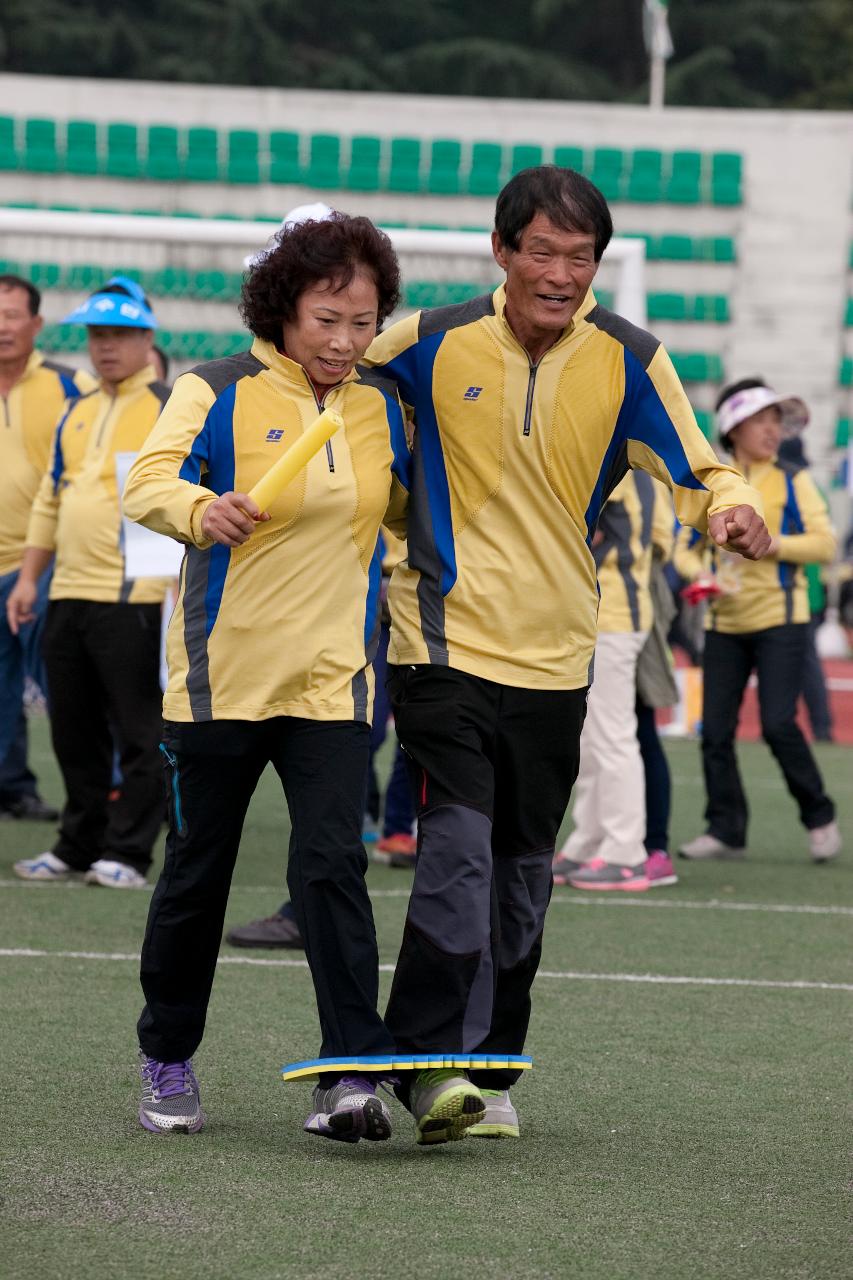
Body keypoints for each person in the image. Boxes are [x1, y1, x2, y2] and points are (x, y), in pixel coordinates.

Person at [362, 165, 770, 1142]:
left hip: (554, 656)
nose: (559, 272)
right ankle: (423, 1065)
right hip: (440, 641)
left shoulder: (630, 358)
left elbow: (699, 464)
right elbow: (334, 382)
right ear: (502, 251)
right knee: (456, 850)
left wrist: (735, 508)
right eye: (540, 251)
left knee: (518, 872)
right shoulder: (424, 340)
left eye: (577, 257)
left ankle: (489, 1067)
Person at [122, 214, 412, 1143]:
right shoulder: (212, 388)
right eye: (327, 318)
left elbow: (409, 515)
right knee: (196, 875)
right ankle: (167, 1052)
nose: (343, 341)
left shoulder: (381, 406)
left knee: (332, 868)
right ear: (283, 311)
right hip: (220, 685)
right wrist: (202, 508)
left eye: (362, 322)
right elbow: (147, 483)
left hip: (333, 687)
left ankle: (351, 1077)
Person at [8, 277, 171, 888]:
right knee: (72, 731)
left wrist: (167, 592)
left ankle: (128, 852)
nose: (106, 347)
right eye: (97, 336)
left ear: (146, 338)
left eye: (120, 335)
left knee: (139, 732)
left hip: (135, 600)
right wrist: (30, 579)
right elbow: (52, 497)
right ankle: (78, 844)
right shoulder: (77, 407)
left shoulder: (165, 403)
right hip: (66, 593)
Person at [675, 378, 841, 863]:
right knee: (715, 733)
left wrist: (771, 546)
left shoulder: (794, 479)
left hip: (781, 623)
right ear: (732, 428)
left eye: (776, 421)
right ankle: (725, 830)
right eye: (761, 420)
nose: (773, 430)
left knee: (777, 724)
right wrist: (703, 575)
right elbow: (683, 552)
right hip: (723, 624)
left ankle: (819, 815)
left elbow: (825, 544)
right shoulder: (713, 482)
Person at [0, 273, 95, 822]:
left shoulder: (71, 387)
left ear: (36, 324)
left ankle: (102, 793)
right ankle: (12, 787)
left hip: (42, 564)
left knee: (69, 688)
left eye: (13, 315)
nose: (4, 326)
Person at [553, 472, 670, 891]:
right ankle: (590, 841)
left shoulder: (615, 459)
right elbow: (659, 540)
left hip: (612, 615)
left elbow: (587, 534)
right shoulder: (636, 466)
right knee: (591, 737)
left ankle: (625, 852)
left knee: (611, 736)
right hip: (607, 613)